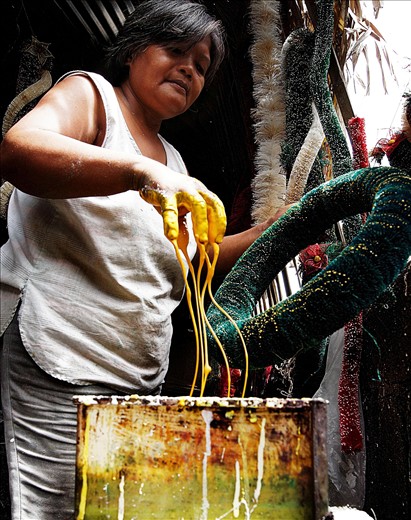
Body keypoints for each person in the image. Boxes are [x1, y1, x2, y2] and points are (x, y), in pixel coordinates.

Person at [0, 1, 287, 518]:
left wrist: (276, 231)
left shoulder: (174, 163)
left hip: (136, 374)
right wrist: (139, 173)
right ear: (133, 52)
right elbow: (20, 149)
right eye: (176, 50)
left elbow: (199, 258)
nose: (189, 70)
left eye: (201, 66)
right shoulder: (92, 97)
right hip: (60, 350)